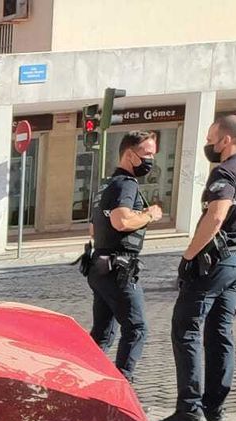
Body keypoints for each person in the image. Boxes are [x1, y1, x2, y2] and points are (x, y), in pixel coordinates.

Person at [156, 115, 236, 421]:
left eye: (211, 138)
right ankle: (214, 407)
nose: (209, 144)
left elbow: (216, 216)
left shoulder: (225, 172)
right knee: (220, 333)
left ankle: (189, 407)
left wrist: (189, 256)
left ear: (226, 140)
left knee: (186, 327)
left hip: (215, 262)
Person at [86, 130, 163, 384]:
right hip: (119, 268)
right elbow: (121, 221)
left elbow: (93, 228)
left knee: (103, 334)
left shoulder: (107, 184)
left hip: (100, 266)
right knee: (136, 328)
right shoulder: (127, 184)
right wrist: (150, 214)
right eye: (147, 154)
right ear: (130, 154)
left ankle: (84, 378)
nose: (151, 160)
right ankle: (122, 385)